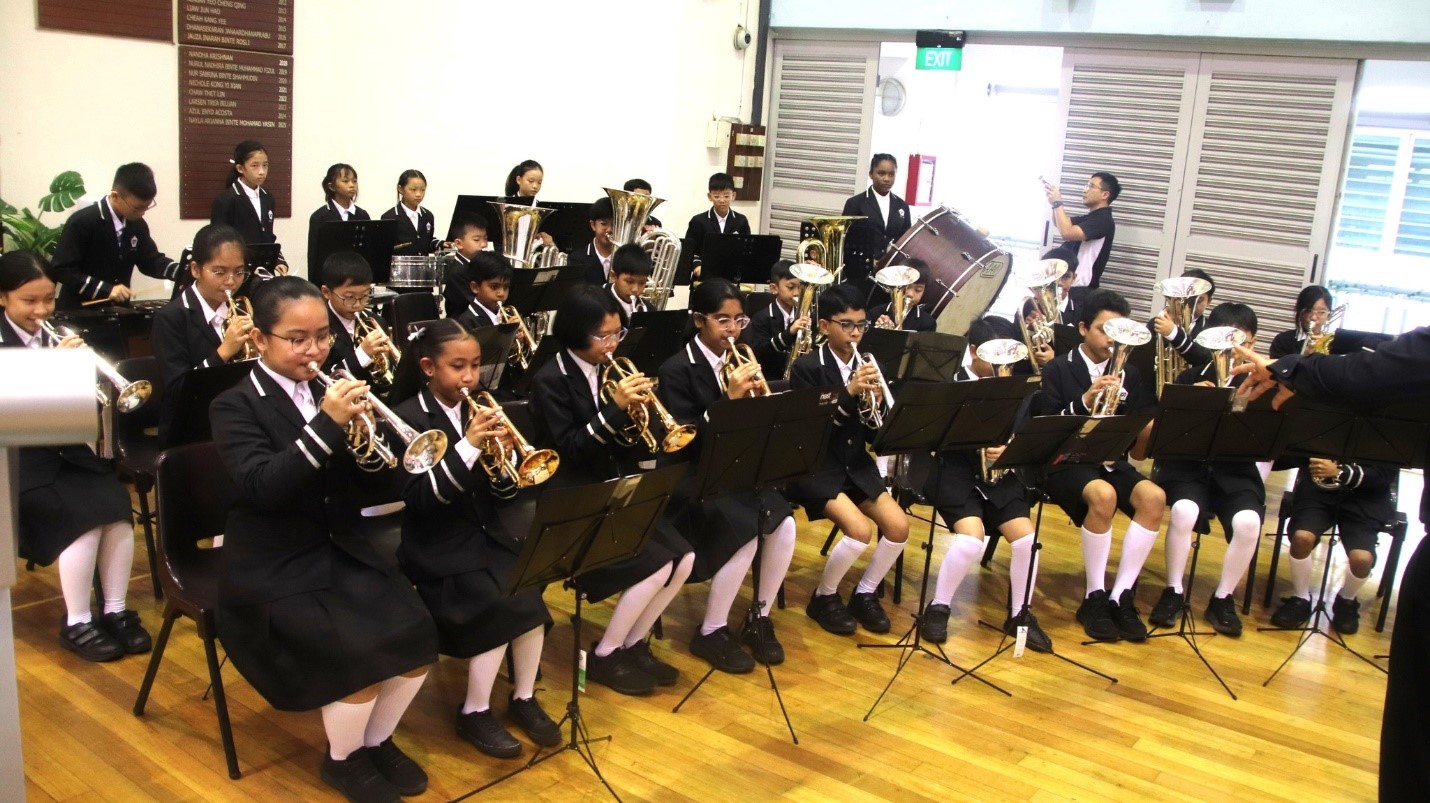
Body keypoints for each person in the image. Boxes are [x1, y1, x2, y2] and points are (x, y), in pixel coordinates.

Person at [209, 276, 437, 802]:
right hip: (272, 561)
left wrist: (371, 445)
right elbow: (264, 487)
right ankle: (343, 759)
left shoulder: (323, 389)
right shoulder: (233, 405)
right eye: (297, 338)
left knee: (417, 634)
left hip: (338, 543)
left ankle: (376, 741)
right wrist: (328, 427)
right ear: (260, 340)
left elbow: (372, 482)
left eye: (322, 336)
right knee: (356, 651)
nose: (314, 350)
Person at [1229, 326, 1430, 800]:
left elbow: (1377, 372)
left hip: (1364, 498)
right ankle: (1303, 597)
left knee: (1418, 721)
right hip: (1321, 496)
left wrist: (1289, 367)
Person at [387, 320, 560, 758]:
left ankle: (523, 698)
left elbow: (503, 494)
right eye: (457, 367)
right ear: (428, 366)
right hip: (436, 545)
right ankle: (475, 711)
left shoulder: (480, 408)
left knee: (530, 593)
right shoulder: (407, 418)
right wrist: (468, 447)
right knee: (498, 605)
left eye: (477, 365)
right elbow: (422, 499)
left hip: (485, 534)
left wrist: (502, 464)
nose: (470, 377)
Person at [528, 287, 695, 694]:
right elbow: (570, 450)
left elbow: (624, 443)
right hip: (574, 498)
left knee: (685, 557)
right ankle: (605, 654)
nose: (614, 344)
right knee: (656, 564)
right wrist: (616, 410)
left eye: (618, 334)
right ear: (575, 334)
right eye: (605, 336)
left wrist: (643, 419)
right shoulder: (550, 379)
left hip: (614, 487)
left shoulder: (608, 369)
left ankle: (633, 642)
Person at [0, 250, 152, 663]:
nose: (42, 309)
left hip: (65, 445)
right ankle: (77, 620)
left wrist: (80, 371)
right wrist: (52, 367)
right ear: (3, 298)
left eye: (48, 299)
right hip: (16, 457)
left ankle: (116, 610)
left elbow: (81, 407)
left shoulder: (57, 332)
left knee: (117, 507)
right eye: (29, 301)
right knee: (81, 520)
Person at [656, 279, 799, 669]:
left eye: (740, 320)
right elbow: (683, 441)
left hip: (735, 469)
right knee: (745, 530)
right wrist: (727, 402)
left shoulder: (742, 359)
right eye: (723, 320)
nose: (734, 330)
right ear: (699, 320)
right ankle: (711, 630)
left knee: (784, 524)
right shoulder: (675, 369)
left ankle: (759, 616)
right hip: (691, 476)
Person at [1038, 287, 1165, 642]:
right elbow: (1048, 429)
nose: (1111, 339)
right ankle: (1094, 596)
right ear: (1082, 328)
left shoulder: (1130, 374)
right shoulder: (1059, 369)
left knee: (1154, 498)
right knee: (1104, 496)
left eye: (1118, 331)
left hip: (1109, 461)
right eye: (1103, 330)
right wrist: (1085, 400)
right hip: (1065, 463)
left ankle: (1120, 594)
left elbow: (1139, 433)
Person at [919, 319, 1050, 652]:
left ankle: (1020, 614)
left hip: (999, 475)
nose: (1003, 365)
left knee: (1027, 541)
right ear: (974, 351)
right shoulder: (952, 383)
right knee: (970, 541)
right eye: (995, 356)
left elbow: (1028, 435)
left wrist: (1009, 450)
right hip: (955, 472)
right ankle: (938, 606)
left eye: (1009, 356)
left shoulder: (1019, 388)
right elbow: (932, 435)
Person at [789, 285, 911, 636]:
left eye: (861, 325)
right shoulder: (808, 368)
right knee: (859, 531)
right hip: (817, 466)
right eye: (847, 325)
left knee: (899, 526)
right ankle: (823, 597)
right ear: (825, 326)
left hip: (855, 463)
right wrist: (850, 394)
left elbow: (875, 432)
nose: (856, 333)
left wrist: (884, 413)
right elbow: (812, 432)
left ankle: (864, 592)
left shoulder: (871, 364)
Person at [1146, 302, 1264, 637]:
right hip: (1189, 465)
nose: (1241, 351)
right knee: (1183, 511)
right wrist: (1190, 405)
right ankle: (1173, 590)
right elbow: (1165, 434)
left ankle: (1222, 597)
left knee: (1249, 522)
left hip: (1235, 468)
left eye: (1248, 344)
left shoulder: (1261, 382)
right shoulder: (1189, 377)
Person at [150, 223, 257, 445]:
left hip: (238, 418)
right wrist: (223, 352)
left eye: (239, 272)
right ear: (196, 270)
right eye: (220, 272)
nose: (231, 281)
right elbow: (178, 392)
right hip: (192, 429)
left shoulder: (243, 308)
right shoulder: (171, 318)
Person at [50, 162, 182, 309]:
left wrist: (182, 271)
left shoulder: (137, 224)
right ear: (115, 196)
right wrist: (106, 289)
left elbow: (150, 261)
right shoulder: (82, 222)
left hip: (118, 311)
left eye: (147, 206)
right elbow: (62, 270)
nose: (142, 212)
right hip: (80, 311)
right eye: (137, 207)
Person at [210, 140, 289, 275]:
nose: (261, 172)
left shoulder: (267, 198)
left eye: (265, 166)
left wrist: (278, 260)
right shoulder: (226, 200)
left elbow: (268, 236)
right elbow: (218, 242)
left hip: (264, 270)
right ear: (240, 168)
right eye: (255, 166)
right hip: (238, 272)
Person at [318, 251, 396, 385]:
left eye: (365, 295)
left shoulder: (376, 322)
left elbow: (386, 375)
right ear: (326, 292)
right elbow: (322, 380)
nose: (358, 304)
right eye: (349, 297)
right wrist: (362, 354)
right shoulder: (318, 327)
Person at [840, 154, 912, 290]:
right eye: (881, 173)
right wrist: (865, 260)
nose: (886, 179)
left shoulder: (902, 206)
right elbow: (845, 240)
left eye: (891, 174)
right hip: (860, 274)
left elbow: (906, 241)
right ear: (871, 174)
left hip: (891, 275)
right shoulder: (855, 203)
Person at [1044, 171, 1119, 288]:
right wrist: (1054, 204)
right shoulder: (1092, 217)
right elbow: (1061, 224)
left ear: (1105, 195)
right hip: (1073, 286)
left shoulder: (1103, 220)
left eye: (1090, 186)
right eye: (1086, 186)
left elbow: (1066, 233)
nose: (1085, 190)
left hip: (1081, 289)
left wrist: (1058, 202)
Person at [740, 259, 810, 379]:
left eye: (799, 287)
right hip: (771, 378)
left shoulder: (806, 315)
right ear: (774, 288)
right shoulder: (761, 318)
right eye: (791, 287)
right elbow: (760, 352)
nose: (797, 293)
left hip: (798, 377)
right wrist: (789, 333)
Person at [306, 163, 369, 285]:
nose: (351, 185)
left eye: (354, 181)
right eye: (345, 181)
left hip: (356, 277)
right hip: (331, 279)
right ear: (331, 186)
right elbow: (313, 256)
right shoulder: (320, 217)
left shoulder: (362, 215)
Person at [1149, 268, 1216, 372]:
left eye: (1199, 300)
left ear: (1209, 301)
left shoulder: (1209, 330)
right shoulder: (1156, 323)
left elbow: (1203, 360)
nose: (1189, 304)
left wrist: (1174, 334)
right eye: (1183, 297)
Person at [682, 173, 750, 269]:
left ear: (733, 195)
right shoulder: (698, 221)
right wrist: (697, 267)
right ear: (710, 196)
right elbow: (689, 251)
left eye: (726, 196)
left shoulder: (741, 221)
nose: (722, 200)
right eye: (717, 196)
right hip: (704, 275)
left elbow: (746, 250)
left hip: (731, 276)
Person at [381, 169, 439, 257]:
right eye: (413, 189)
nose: (419, 194)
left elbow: (427, 243)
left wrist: (439, 244)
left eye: (423, 190)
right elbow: (385, 250)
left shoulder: (428, 216)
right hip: (400, 268)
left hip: (423, 268)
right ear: (400, 189)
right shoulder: (389, 217)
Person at [442, 214, 490, 316]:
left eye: (485, 239)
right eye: (476, 240)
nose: (484, 244)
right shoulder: (457, 273)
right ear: (459, 244)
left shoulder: (476, 265)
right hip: (462, 328)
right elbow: (476, 304)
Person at [870, 259, 935, 332]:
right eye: (906, 287)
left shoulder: (927, 323)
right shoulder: (875, 312)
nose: (910, 294)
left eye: (918, 290)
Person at [453, 252, 512, 332]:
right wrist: (508, 336)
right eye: (494, 287)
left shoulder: (508, 317)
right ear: (475, 287)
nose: (502, 293)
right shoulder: (466, 323)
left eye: (506, 287)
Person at [567, 197, 617, 285]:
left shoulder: (627, 259)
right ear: (593, 225)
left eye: (615, 224)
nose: (609, 229)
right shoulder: (576, 259)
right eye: (603, 224)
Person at [606, 243, 653, 318]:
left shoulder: (648, 309)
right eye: (630, 281)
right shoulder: (598, 303)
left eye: (642, 283)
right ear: (614, 276)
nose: (635, 289)